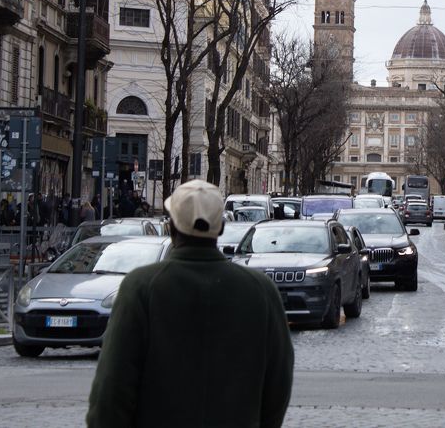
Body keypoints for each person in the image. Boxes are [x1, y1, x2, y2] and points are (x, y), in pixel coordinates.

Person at [87, 179, 293, 427]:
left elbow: (112, 390)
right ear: (220, 228)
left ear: (172, 226)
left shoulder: (141, 288)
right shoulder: (261, 291)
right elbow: (278, 385)